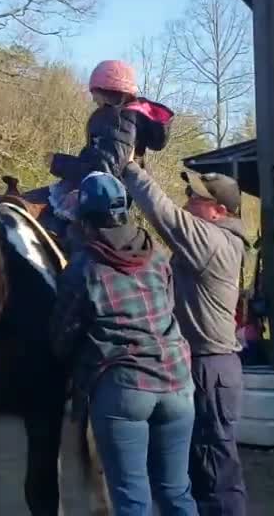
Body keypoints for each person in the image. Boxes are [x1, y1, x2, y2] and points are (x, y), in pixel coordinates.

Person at [50, 172, 196, 516]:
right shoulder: (157, 256)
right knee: (177, 491)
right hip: (178, 384)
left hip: (124, 390)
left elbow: (62, 339)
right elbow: (165, 310)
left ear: (85, 220)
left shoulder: (83, 269)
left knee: (132, 498)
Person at [120, 162, 252, 516]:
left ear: (218, 211)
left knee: (214, 470)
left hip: (209, 368)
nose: (187, 202)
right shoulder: (212, 242)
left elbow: (163, 215)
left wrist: (131, 169)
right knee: (196, 466)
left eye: (195, 198)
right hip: (204, 366)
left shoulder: (214, 242)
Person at [41, 60, 175, 245]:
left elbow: (104, 174)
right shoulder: (126, 119)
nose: (93, 98)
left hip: (100, 198)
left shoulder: (117, 120)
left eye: (94, 91)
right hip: (115, 197)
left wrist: (58, 162)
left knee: (44, 227)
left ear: (106, 90)